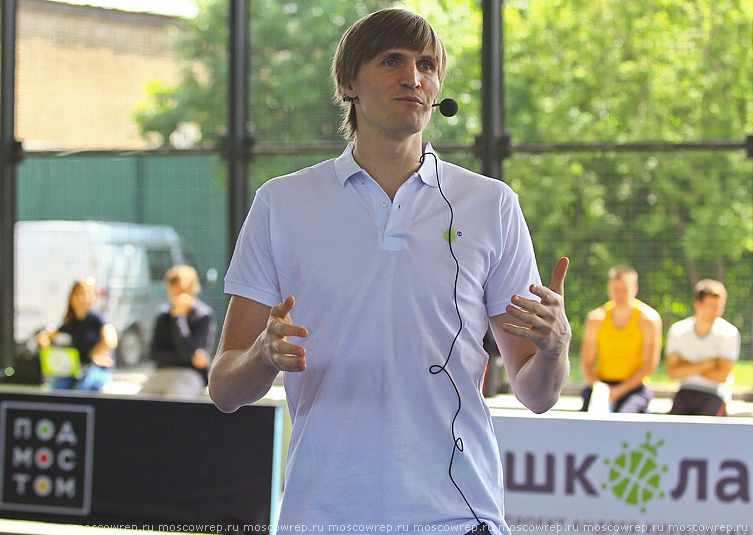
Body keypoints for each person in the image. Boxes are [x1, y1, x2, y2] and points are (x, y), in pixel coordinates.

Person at [209, 9, 571, 535]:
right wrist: (264, 355)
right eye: (392, 61)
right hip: (324, 517)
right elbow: (223, 389)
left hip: (460, 519)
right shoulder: (281, 204)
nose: (413, 77)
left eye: (427, 64)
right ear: (349, 83)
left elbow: (537, 394)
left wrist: (556, 348)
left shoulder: (490, 204)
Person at [580, 265, 662, 413]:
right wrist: (600, 389)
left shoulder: (648, 319)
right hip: (602, 387)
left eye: (624, 290)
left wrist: (618, 391)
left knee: (626, 418)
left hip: (634, 388)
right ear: (608, 289)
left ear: (635, 289)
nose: (619, 295)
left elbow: (649, 366)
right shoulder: (596, 319)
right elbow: (587, 363)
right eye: (615, 289)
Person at [140, 265, 216, 398]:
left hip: (191, 375)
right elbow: (155, 353)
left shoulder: (203, 316)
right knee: (139, 401)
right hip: (163, 372)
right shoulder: (162, 314)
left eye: (183, 291)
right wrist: (186, 358)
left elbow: (189, 352)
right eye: (176, 291)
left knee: (177, 397)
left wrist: (178, 318)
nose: (179, 296)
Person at [666, 279, 740, 416]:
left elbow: (722, 376)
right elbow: (673, 373)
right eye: (712, 306)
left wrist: (686, 365)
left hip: (715, 395)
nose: (717, 311)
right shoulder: (678, 331)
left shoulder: (729, 333)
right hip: (685, 392)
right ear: (698, 304)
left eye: (720, 306)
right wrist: (709, 364)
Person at [36, 278, 117, 391]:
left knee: (82, 388)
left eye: (87, 294)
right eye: (80, 294)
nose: (83, 299)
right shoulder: (71, 322)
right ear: (72, 298)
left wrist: (95, 352)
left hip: (96, 370)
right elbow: (46, 336)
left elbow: (111, 340)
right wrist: (46, 344)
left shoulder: (98, 318)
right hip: (76, 370)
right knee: (57, 386)